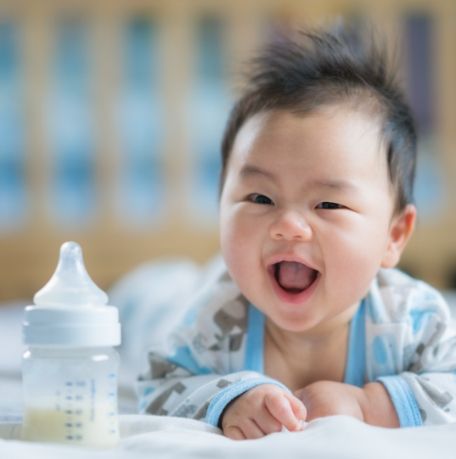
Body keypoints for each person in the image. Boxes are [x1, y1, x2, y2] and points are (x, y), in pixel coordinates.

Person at [137, 24, 456, 440]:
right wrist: (230, 399)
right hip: (168, 296)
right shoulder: (215, 320)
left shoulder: (410, 322)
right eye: (260, 199)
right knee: (149, 301)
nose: (288, 226)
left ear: (394, 235)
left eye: (328, 204)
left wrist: (369, 403)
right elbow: (155, 388)